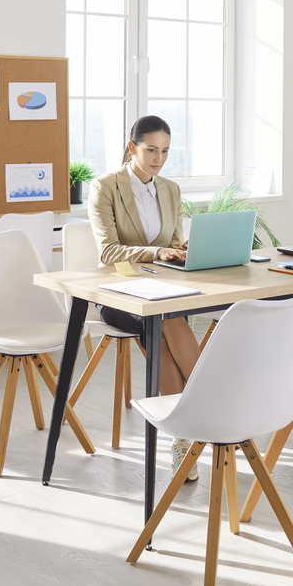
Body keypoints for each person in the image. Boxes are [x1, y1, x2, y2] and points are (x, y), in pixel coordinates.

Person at [87, 115, 202, 482]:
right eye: (151, 150)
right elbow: (108, 252)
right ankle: (207, 406)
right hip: (117, 290)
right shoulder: (105, 187)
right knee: (166, 321)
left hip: (162, 289)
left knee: (164, 327)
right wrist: (156, 253)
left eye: (165, 151)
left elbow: (172, 244)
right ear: (132, 147)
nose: (159, 159)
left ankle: (184, 437)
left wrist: (182, 250)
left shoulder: (170, 189)